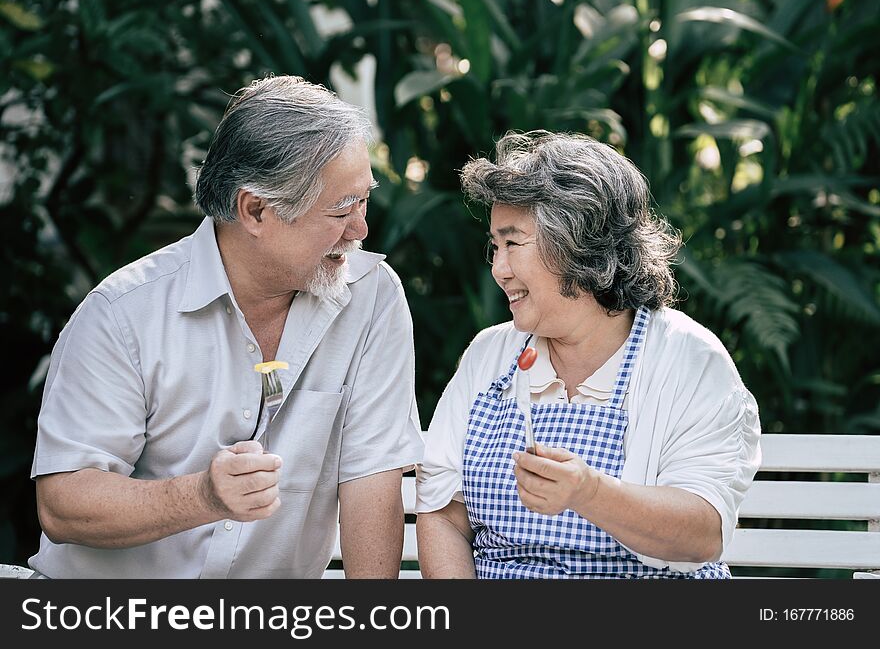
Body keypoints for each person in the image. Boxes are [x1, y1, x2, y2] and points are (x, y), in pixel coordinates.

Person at [29, 75, 424, 578]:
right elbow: (64, 504)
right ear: (255, 210)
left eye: (363, 200)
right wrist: (203, 496)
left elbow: (371, 476)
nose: (361, 230)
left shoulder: (371, 296)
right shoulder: (124, 313)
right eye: (342, 209)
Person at [415, 130, 761, 579]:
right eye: (494, 247)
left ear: (577, 244)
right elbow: (443, 515)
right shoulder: (489, 355)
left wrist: (589, 493)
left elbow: (702, 534)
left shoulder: (688, 358)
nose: (498, 270)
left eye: (513, 243)